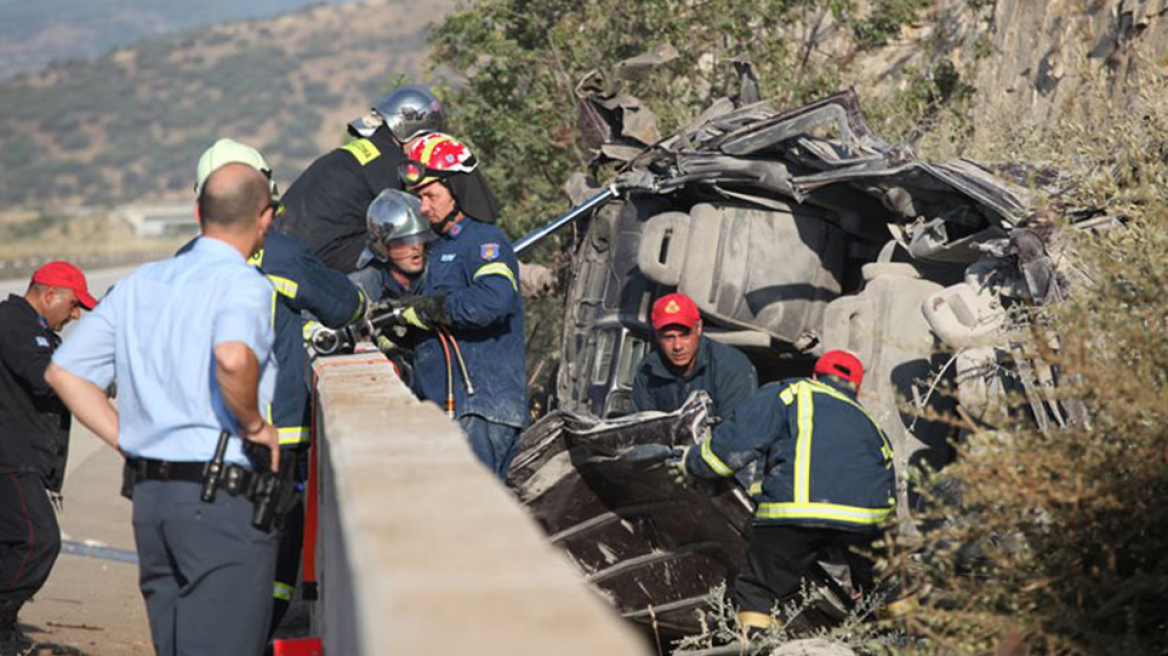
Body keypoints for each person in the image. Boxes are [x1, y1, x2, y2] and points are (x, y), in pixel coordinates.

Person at [46, 162, 281, 655]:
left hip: (152, 498)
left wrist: (127, 437)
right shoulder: (244, 284)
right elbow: (232, 356)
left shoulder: (141, 283)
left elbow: (65, 371)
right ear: (266, 218)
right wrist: (256, 426)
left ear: (198, 213)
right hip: (220, 497)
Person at [186, 138, 367, 639]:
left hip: (204, 438)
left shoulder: (183, 263)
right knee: (273, 547)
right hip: (277, 435)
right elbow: (346, 305)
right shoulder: (283, 255)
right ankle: (255, 635)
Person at [674, 350, 895, 634]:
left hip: (794, 515)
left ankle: (756, 644)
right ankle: (900, 641)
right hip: (866, 524)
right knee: (888, 589)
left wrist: (693, 464)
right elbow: (888, 490)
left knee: (760, 589)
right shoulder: (870, 423)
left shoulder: (793, 392)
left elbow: (737, 442)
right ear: (857, 389)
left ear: (815, 375)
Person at [392, 133, 525, 479]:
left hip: (480, 410)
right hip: (451, 408)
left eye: (431, 195)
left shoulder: (485, 242)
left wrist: (430, 309)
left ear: (458, 191)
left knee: (474, 521)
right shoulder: (441, 246)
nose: (423, 207)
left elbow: (493, 300)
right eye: (419, 197)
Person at [0, 261, 95, 652]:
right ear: (49, 294)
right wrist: (93, 381)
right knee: (39, 541)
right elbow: (45, 378)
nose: (75, 315)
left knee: (13, 544)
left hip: (25, 459)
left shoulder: (37, 331)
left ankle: (4, 630)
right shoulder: (14, 322)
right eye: (73, 305)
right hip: (10, 458)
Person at [276, 85, 447, 273]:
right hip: (319, 257)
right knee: (404, 249)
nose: (428, 146)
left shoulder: (363, 152)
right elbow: (404, 223)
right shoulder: (392, 164)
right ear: (407, 130)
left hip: (283, 249)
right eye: (426, 137)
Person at [631, 292, 757, 419]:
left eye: (685, 335)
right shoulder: (648, 370)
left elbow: (739, 430)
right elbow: (641, 429)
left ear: (698, 328)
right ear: (657, 336)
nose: (678, 346)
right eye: (669, 337)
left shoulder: (731, 366)